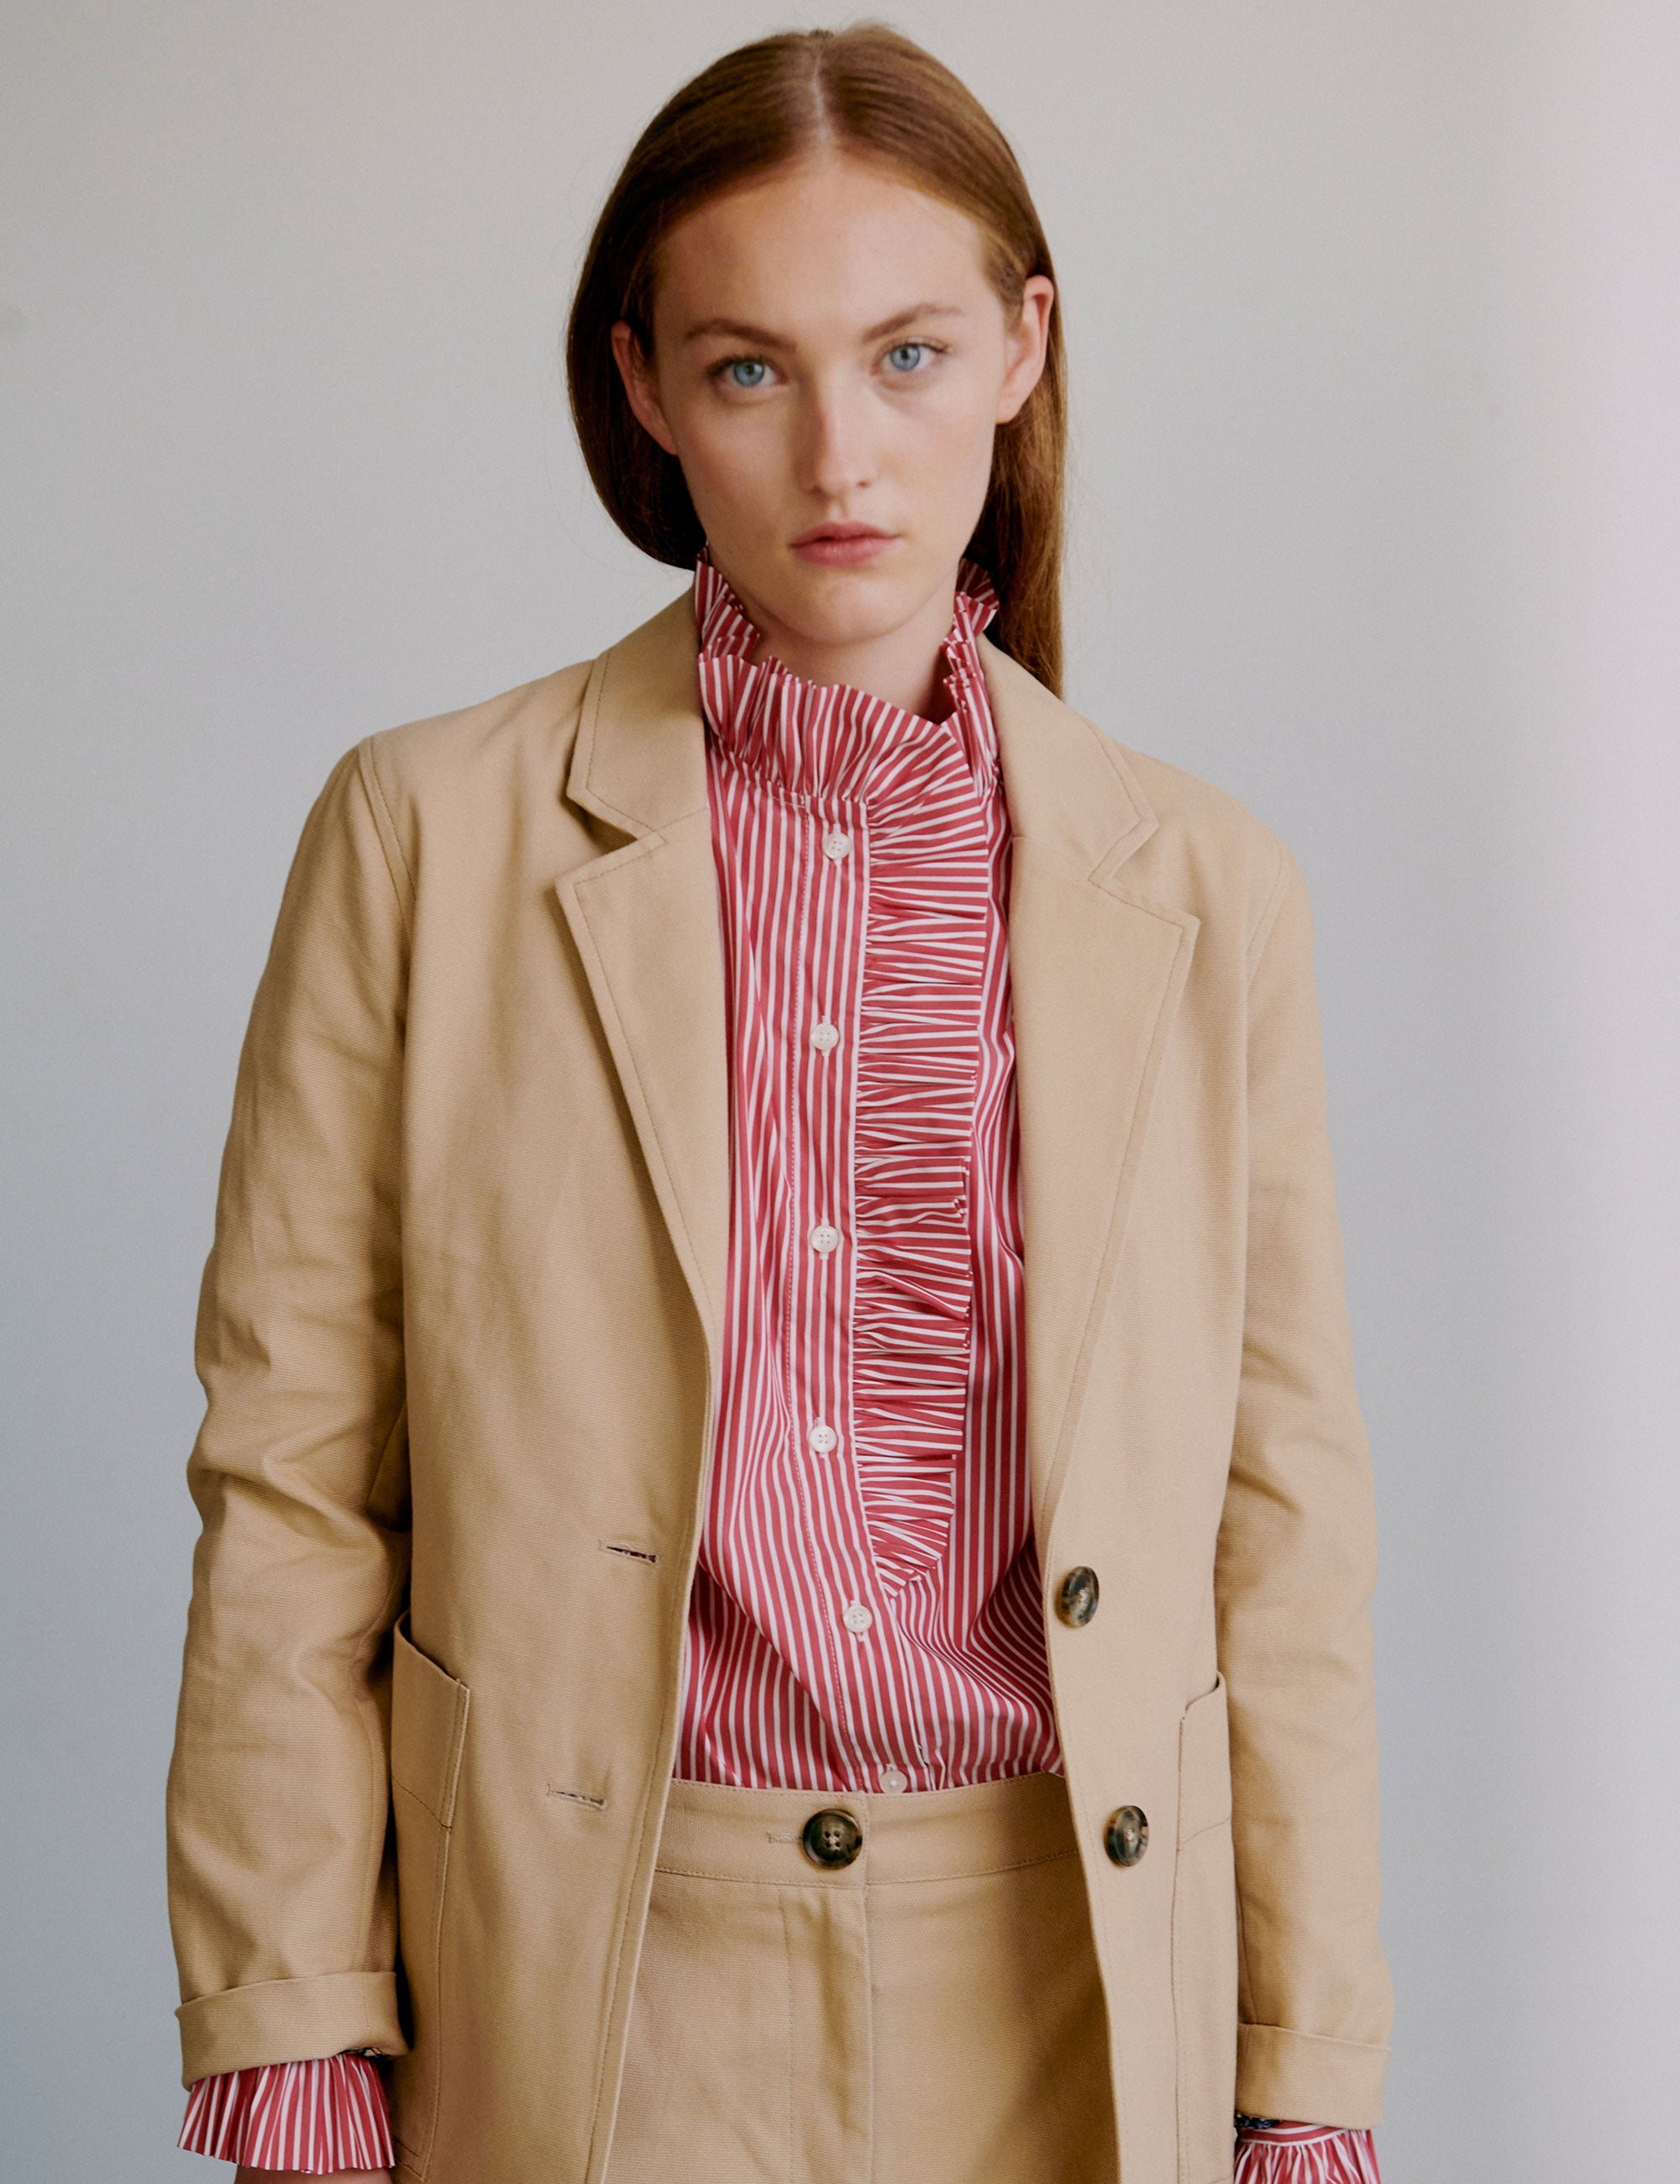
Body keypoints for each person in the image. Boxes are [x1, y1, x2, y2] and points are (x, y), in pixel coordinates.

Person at [165, 25, 1391, 2184]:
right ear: (642, 388)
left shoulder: (1203, 890)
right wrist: (290, 2012)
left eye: (908, 355)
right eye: (750, 370)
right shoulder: (424, 835)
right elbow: (289, 1472)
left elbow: (1274, 1525)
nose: (844, 452)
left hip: (1078, 1974)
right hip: (587, 1969)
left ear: (1022, 354)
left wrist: (1302, 2066)